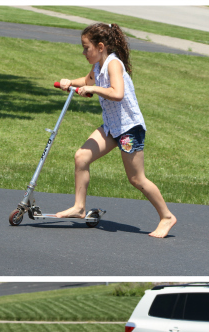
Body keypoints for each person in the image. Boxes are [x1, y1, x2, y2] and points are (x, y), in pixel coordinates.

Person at [55, 22, 176, 238]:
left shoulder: (113, 64)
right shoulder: (97, 66)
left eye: (86, 48)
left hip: (129, 129)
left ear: (100, 47)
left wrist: (92, 88)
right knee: (81, 157)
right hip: (112, 127)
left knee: (137, 179)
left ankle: (167, 217)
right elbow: (87, 81)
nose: (83, 52)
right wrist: (69, 83)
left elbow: (117, 92)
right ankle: (79, 207)